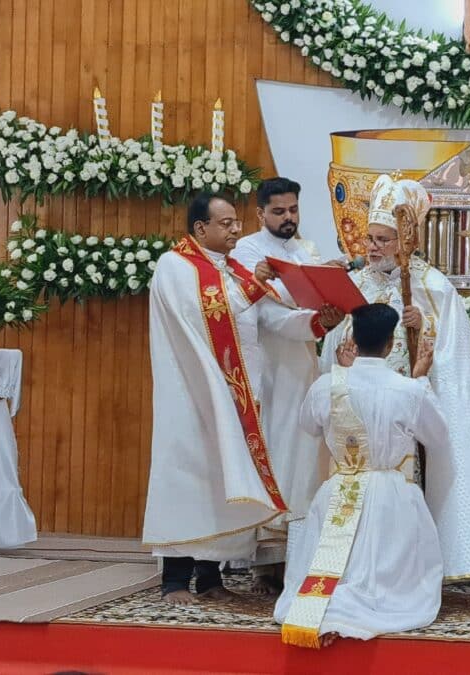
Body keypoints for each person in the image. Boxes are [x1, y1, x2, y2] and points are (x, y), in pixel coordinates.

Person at [319, 173, 470, 581]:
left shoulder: (432, 286)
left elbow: (454, 361)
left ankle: (414, 569)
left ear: (406, 241)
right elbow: (334, 345)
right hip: (360, 416)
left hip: (408, 415)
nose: (372, 248)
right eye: (370, 238)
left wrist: (424, 327)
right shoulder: (353, 284)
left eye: (383, 240)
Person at [142, 191, 342, 605]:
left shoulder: (230, 269)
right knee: (189, 480)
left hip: (234, 395)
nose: (236, 229)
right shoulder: (175, 265)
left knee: (224, 482)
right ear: (201, 229)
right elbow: (208, 314)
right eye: (227, 223)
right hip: (194, 394)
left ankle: (210, 577)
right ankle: (174, 582)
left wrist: (317, 323)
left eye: (236, 222)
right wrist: (257, 282)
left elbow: (271, 320)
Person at [276, 303, 444, 647]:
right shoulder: (409, 389)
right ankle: (360, 607)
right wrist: (421, 377)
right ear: (391, 343)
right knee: (384, 584)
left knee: (333, 566)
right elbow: (438, 437)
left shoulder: (328, 386)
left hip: (339, 489)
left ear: (351, 337)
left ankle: (326, 606)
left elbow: (308, 426)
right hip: (391, 495)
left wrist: (342, 379)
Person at [231, 177, 332, 594]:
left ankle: (298, 554)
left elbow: (316, 297)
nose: (288, 218)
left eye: (293, 210)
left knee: (304, 459)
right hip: (267, 373)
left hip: (304, 368)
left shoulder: (306, 250)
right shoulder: (248, 251)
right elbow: (265, 317)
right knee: (273, 454)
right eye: (279, 211)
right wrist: (313, 320)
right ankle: (263, 564)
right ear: (259, 214)